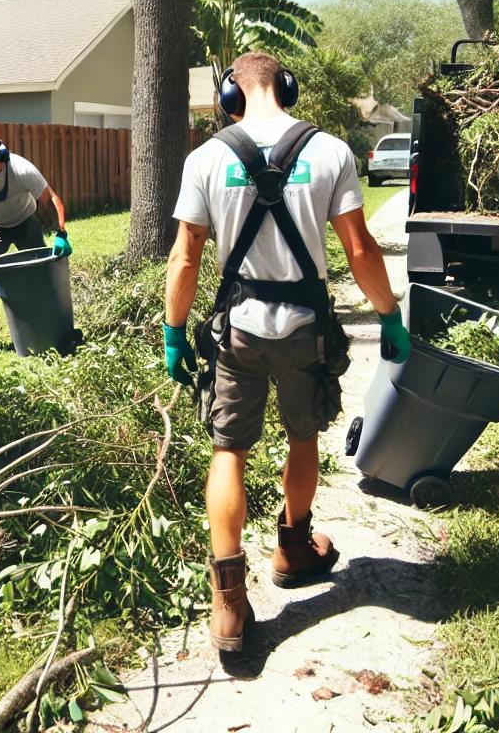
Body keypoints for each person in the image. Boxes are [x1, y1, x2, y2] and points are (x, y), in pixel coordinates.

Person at [163, 51, 410, 654]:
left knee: (229, 451)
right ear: (288, 88)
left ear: (229, 95)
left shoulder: (205, 158)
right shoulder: (330, 152)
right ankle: (294, 547)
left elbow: (186, 257)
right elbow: (359, 249)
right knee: (303, 439)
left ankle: (228, 606)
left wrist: (173, 330)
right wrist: (390, 316)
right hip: (305, 327)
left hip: (237, 331)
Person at [0, 134, 71, 357]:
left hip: (25, 220)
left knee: (41, 272)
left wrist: (62, 233)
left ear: (0, 154)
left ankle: (50, 324)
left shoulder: (21, 168)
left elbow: (53, 199)